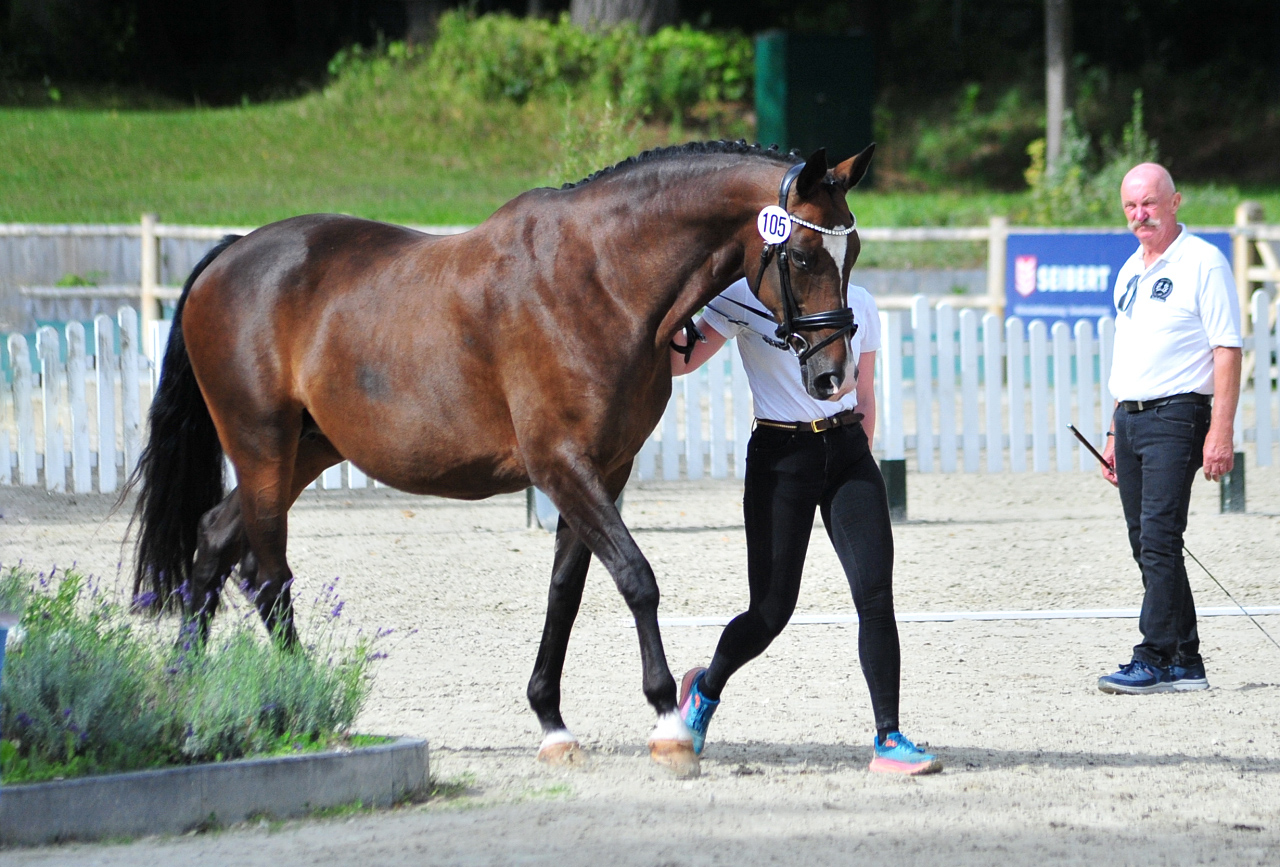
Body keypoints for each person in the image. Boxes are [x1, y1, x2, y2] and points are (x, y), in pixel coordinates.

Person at [669, 276, 941, 775]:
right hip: (779, 457)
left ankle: (888, 738)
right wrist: (670, 305)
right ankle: (704, 691)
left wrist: (856, 455)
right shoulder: (742, 297)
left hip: (846, 452)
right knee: (771, 611)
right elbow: (678, 362)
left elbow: (865, 394)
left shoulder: (858, 301)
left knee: (876, 596)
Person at [1097, 163, 1242, 695]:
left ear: (1174, 202)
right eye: (1132, 206)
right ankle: (1186, 659)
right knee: (1145, 542)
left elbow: (1227, 348)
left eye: (1150, 204)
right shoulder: (1130, 270)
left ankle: (1151, 656)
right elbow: (1129, 353)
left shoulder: (1203, 262)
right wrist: (1113, 431)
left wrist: (1220, 432)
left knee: (1160, 538)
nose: (1141, 215)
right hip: (1130, 416)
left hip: (1178, 414)